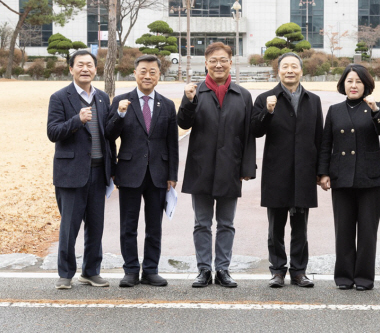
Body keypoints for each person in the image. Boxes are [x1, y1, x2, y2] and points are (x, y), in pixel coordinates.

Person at [178, 42, 256, 288]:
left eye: (223, 60)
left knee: (226, 223)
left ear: (231, 62)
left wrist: (246, 168)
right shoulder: (195, 92)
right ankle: (203, 269)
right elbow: (183, 123)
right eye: (213, 60)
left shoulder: (242, 95)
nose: (218, 64)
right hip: (200, 168)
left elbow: (248, 135)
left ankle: (222, 269)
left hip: (230, 168)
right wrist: (188, 100)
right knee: (201, 223)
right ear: (206, 63)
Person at [251, 52, 323, 288]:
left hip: (304, 172)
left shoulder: (313, 100)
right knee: (276, 227)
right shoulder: (265, 98)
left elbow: (319, 138)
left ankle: (299, 271)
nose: (290, 70)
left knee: (300, 227)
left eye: (294, 66)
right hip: (276, 172)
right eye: (285, 67)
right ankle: (278, 270)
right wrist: (267, 112)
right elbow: (255, 131)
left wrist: (321, 171)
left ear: (301, 71)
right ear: (278, 71)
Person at [105, 55, 178, 288]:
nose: (148, 76)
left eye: (153, 72)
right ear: (135, 74)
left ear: (159, 75)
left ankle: (150, 270)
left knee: (154, 226)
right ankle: (130, 270)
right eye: (143, 71)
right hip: (129, 172)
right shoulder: (121, 100)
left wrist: (172, 175)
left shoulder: (166, 105)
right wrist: (120, 113)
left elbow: (172, 142)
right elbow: (109, 135)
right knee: (128, 225)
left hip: (158, 173)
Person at [46, 50, 115, 290]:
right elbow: (53, 132)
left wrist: (112, 168)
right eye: (80, 65)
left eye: (89, 65)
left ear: (96, 69)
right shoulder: (59, 97)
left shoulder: (103, 98)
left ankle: (91, 271)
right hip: (71, 173)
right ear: (71, 69)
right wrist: (77, 120)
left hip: (99, 172)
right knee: (69, 226)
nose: (85, 69)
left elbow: (108, 137)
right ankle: (65, 274)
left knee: (96, 226)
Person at [318, 64, 380, 291]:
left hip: (369, 179)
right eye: (349, 81)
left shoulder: (375, 107)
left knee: (368, 232)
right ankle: (344, 277)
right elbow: (325, 144)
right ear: (343, 84)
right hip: (341, 177)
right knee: (344, 231)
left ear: (366, 85)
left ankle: (365, 278)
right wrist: (323, 173)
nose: (354, 85)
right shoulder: (335, 110)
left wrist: (376, 111)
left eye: (358, 81)